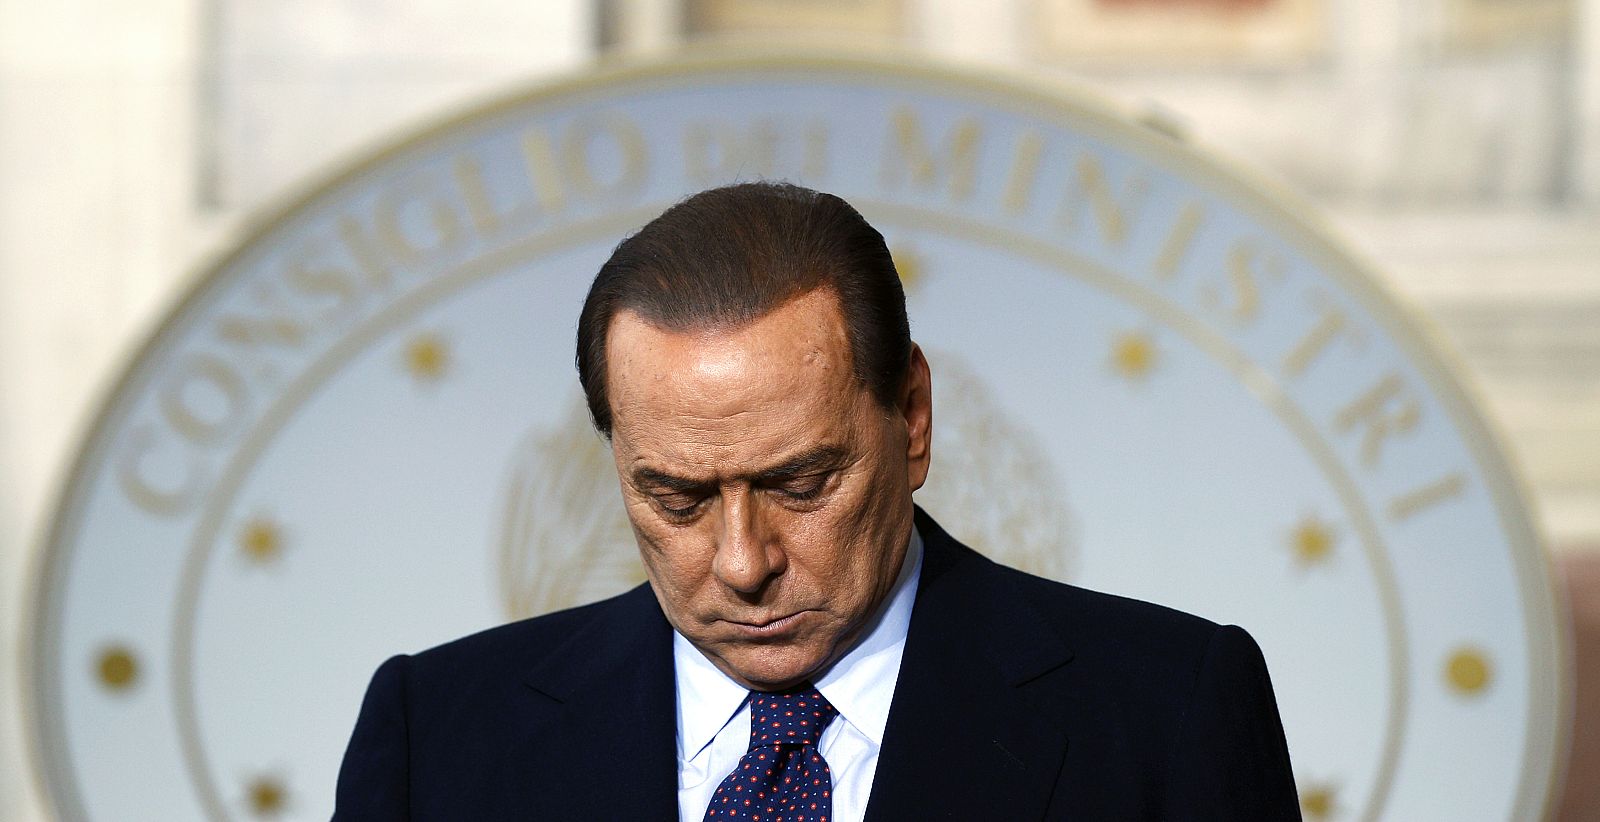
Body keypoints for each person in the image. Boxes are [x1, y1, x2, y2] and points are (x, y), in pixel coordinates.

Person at [333, 182, 1301, 820]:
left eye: (801, 485)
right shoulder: (438, 737)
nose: (743, 562)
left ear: (912, 417)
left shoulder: (1166, 714)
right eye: (676, 498)